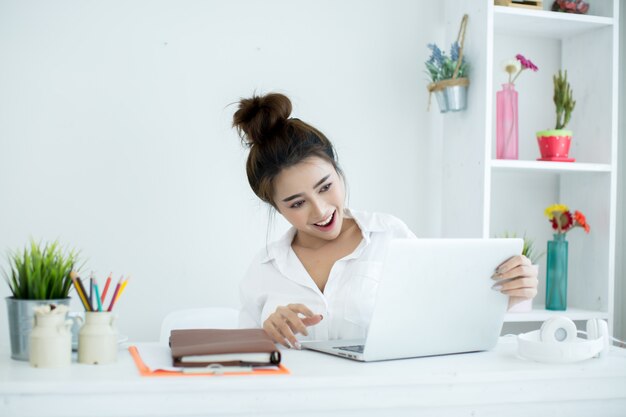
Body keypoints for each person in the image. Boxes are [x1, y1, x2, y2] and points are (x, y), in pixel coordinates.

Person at [233, 92, 538, 349]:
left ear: (338, 171)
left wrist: (507, 294)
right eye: (297, 203)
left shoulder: (389, 236)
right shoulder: (264, 269)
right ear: (275, 206)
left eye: (326, 187)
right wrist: (265, 334)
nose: (320, 210)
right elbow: (242, 362)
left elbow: (444, 318)